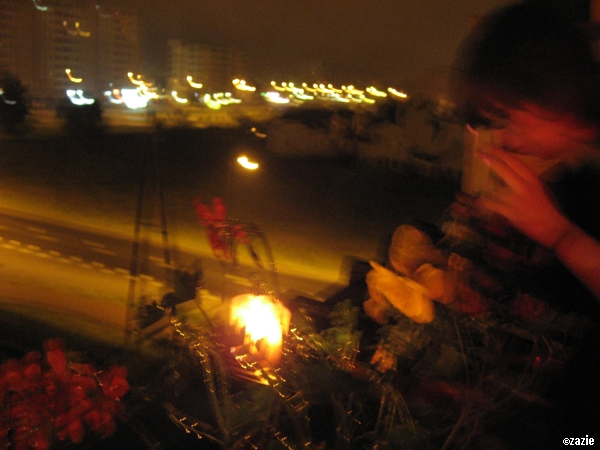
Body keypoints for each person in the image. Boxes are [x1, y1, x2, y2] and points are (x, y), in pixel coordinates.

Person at [449, 0, 600, 443]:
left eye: (508, 119)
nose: (505, 139)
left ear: (553, 97)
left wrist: (559, 234)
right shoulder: (574, 176)